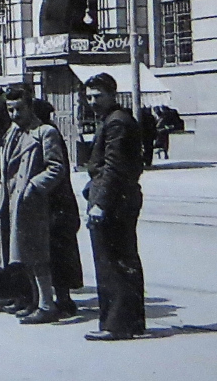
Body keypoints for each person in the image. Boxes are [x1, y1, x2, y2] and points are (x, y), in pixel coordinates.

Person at [0, 86, 66, 324]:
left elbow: (56, 168)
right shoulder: (12, 132)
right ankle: (34, 300)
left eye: (19, 109)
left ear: (30, 107)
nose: (14, 114)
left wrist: (33, 186)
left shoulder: (45, 133)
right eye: (10, 109)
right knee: (21, 255)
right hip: (11, 201)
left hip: (32, 203)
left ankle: (46, 304)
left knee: (37, 255)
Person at [82, 73, 147, 341]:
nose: (93, 102)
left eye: (98, 96)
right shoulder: (114, 119)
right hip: (121, 199)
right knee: (124, 259)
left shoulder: (117, 122)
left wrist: (99, 204)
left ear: (112, 94)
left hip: (113, 203)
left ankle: (115, 324)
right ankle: (130, 322)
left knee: (111, 262)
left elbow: (113, 167)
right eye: (89, 97)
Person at [32, 99, 84, 317]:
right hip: (59, 202)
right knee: (60, 252)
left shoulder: (47, 134)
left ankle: (64, 299)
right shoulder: (47, 132)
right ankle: (62, 299)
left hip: (57, 203)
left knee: (59, 252)